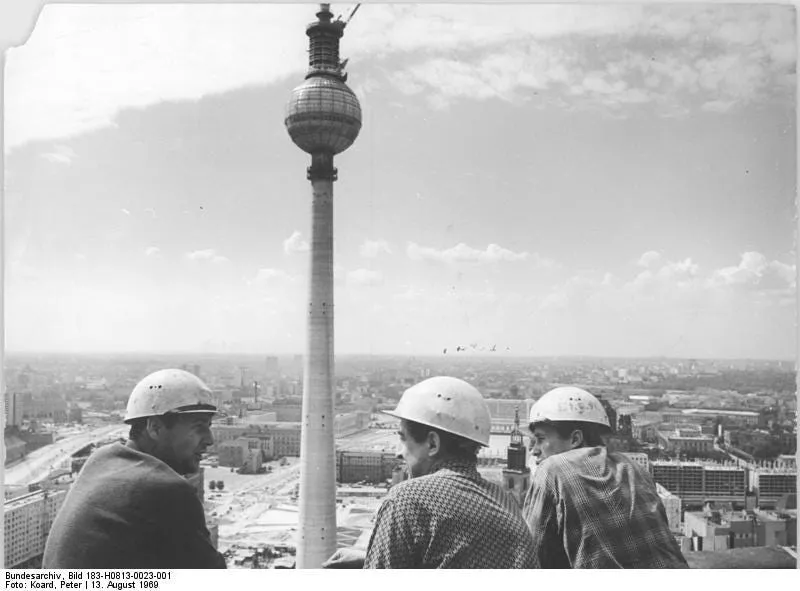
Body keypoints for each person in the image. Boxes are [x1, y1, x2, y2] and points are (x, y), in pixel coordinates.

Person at [324, 376, 536, 569]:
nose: (399, 453)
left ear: (432, 443)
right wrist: (368, 558)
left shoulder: (407, 500)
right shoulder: (504, 501)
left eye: (403, 439)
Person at [43, 369, 227, 569]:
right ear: (155, 428)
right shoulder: (166, 489)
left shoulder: (101, 460)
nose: (210, 440)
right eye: (199, 427)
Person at [522, 386, 688, 569]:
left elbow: (530, 557)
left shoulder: (553, 469)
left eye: (540, 438)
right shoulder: (634, 468)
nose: (534, 450)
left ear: (575, 439)